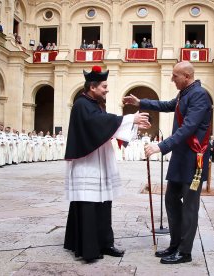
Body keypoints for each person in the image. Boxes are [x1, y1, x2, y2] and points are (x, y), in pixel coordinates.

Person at [123, 61, 212, 264]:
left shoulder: (199, 95)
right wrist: (141, 103)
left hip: (193, 160)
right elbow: (167, 105)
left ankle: (185, 252)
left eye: (175, 76)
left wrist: (160, 146)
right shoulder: (185, 93)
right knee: (171, 199)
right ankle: (174, 244)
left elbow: (188, 127)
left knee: (189, 206)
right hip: (181, 158)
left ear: (187, 77)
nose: (172, 79)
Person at [64, 65, 150, 262]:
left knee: (103, 204)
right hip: (87, 164)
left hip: (99, 163)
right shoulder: (81, 104)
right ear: (92, 87)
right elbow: (98, 124)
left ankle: (105, 243)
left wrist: (133, 123)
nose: (107, 89)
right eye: (104, 86)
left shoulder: (94, 104)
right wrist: (130, 118)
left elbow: (105, 123)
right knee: (89, 204)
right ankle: (89, 248)